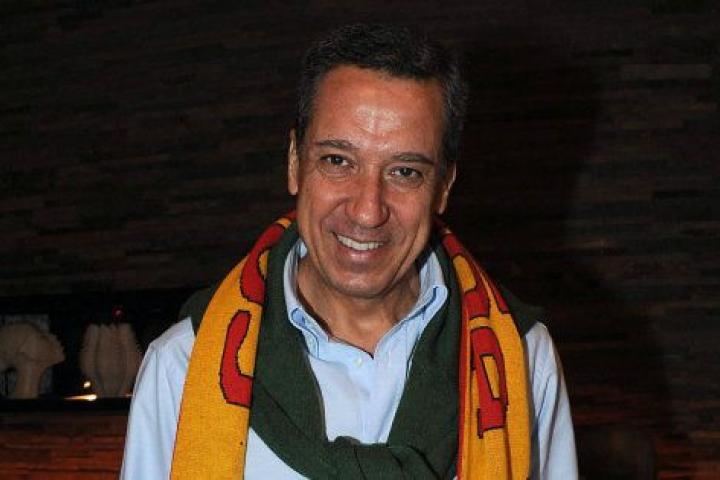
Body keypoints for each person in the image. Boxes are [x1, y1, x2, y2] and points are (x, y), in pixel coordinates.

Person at [121, 23, 577, 479]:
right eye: (338, 161)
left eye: (405, 172)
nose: (367, 210)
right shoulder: (183, 366)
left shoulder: (521, 360)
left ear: (443, 187)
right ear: (295, 162)